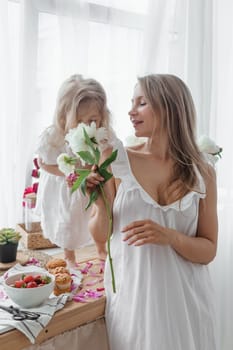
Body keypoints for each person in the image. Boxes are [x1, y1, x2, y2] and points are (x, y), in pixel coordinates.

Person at [86, 74, 218, 349]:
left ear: (169, 107)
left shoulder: (202, 170)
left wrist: (170, 237)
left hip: (187, 305)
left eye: (142, 102)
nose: (131, 111)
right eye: (132, 103)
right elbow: (103, 236)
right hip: (135, 307)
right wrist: (99, 203)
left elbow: (208, 250)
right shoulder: (116, 158)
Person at [35, 74, 111, 266]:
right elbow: (44, 164)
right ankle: (69, 255)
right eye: (79, 121)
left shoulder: (101, 134)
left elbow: (106, 154)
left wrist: (95, 169)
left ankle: (100, 247)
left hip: (89, 183)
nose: (86, 126)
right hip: (64, 187)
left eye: (92, 119)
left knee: (96, 214)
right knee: (67, 222)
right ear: (64, 116)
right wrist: (70, 172)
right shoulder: (54, 137)